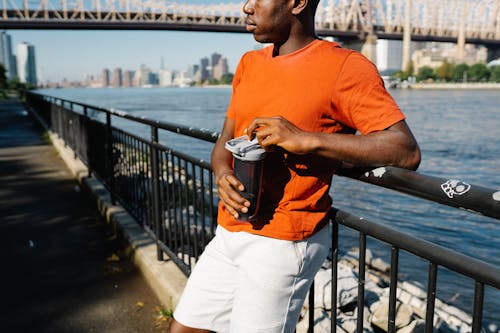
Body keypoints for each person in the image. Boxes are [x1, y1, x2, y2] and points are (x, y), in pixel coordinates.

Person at [169, 0, 421, 331]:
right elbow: (225, 141)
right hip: (228, 230)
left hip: (283, 242)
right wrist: (222, 172)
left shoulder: (346, 66)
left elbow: (405, 150)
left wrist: (306, 139)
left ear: (298, 3)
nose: (247, 6)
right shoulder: (249, 63)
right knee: (184, 328)